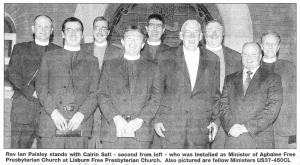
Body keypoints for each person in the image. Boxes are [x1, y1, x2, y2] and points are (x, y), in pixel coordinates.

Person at [153, 20, 220, 149]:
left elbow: (215, 94)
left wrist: (216, 121)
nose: (191, 36)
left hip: (200, 129)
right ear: (181, 35)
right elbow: (156, 91)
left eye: (195, 33)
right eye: (187, 32)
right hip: (170, 127)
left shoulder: (213, 59)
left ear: (201, 37)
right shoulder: (165, 57)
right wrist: (156, 119)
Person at [36, 17, 100, 148]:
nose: (73, 33)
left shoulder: (92, 60)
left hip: (80, 124)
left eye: (77, 30)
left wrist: (82, 113)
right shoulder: (49, 57)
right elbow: (41, 87)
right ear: (63, 34)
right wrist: (54, 112)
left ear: (82, 35)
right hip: (52, 122)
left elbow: (96, 92)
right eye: (69, 30)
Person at [98, 25, 161, 149]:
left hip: (141, 133)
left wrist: (140, 120)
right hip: (112, 131)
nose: (133, 43)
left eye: (137, 39)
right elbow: (101, 94)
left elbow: (156, 97)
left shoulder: (153, 67)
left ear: (143, 44)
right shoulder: (109, 65)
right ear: (122, 42)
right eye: (129, 39)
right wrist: (115, 117)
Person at [7, 15, 61, 149]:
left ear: (52, 30)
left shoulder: (59, 51)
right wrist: (32, 92)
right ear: (33, 28)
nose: (43, 30)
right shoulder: (20, 48)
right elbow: (12, 74)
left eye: (47, 27)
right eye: (39, 26)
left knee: (49, 156)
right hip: (23, 110)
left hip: (49, 113)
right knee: (18, 155)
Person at [220, 42, 283, 149]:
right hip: (234, 139)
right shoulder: (229, 79)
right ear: (241, 56)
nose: (249, 58)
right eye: (245, 54)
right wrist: (230, 126)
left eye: (253, 54)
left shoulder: (272, 78)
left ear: (260, 56)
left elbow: (272, 109)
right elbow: (223, 106)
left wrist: (247, 127)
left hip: (260, 140)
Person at [82, 16, 123, 149]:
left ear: (109, 31)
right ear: (92, 30)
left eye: (103, 28)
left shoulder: (119, 52)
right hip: (86, 105)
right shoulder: (81, 49)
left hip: (108, 106)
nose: (100, 32)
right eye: (96, 28)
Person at [204, 20, 242, 149]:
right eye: (210, 30)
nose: (214, 34)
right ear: (204, 34)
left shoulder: (237, 58)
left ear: (223, 34)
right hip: (200, 115)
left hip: (228, 117)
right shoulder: (193, 55)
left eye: (218, 30)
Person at [260, 31, 296, 148]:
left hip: (284, 128)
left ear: (278, 47)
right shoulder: (253, 66)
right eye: (267, 43)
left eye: (274, 44)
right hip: (260, 129)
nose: (270, 47)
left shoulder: (290, 67)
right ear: (261, 46)